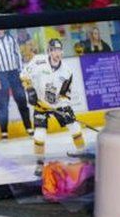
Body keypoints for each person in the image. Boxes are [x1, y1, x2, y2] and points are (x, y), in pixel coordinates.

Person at [20, 38, 86, 176]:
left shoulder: (67, 71)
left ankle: (83, 156)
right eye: (54, 50)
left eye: (59, 50)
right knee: (39, 134)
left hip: (57, 104)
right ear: (49, 51)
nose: (57, 53)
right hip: (40, 104)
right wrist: (29, 89)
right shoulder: (38, 61)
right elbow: (24, 75)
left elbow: (65, 94)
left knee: (74, 126)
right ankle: (39, 164)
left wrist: (62, 105)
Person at [0, 29, 33, 140]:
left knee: (21, 99)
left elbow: (18, 55)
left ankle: (29, 128)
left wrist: (21, 72)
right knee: (3, 104)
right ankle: (4, 132)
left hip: (14, 73)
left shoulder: (12, 39)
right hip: (1, 75)